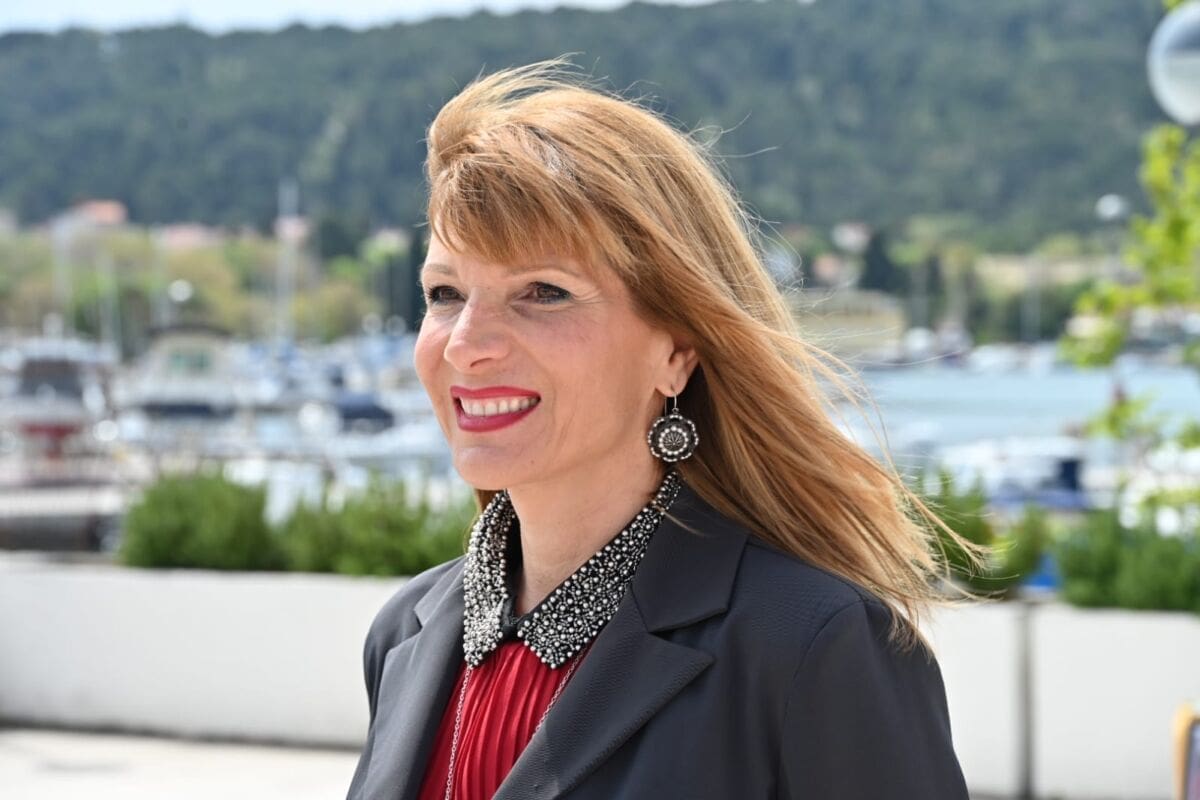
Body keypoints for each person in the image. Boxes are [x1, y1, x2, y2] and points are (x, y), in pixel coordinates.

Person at [346, 60, 976, 800]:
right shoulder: (404, 635)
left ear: (677, 350)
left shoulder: (811, 643)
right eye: (445, 293)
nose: (465, 345)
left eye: (543, 292)